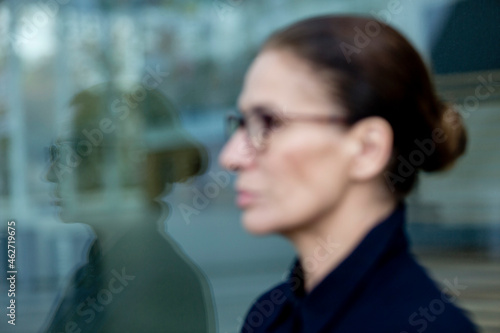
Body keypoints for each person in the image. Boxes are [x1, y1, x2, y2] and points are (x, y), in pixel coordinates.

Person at [219, 15, 478, 333]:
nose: (230, 157)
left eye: (269, 122)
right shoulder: (271, 318)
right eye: (242, 124)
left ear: (367, 149)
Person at [42, 83, 216, 332]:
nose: (51, 175)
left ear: (123, 166)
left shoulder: (160, 283)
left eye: (68, 155)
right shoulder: (95, 273)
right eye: (53, 155)